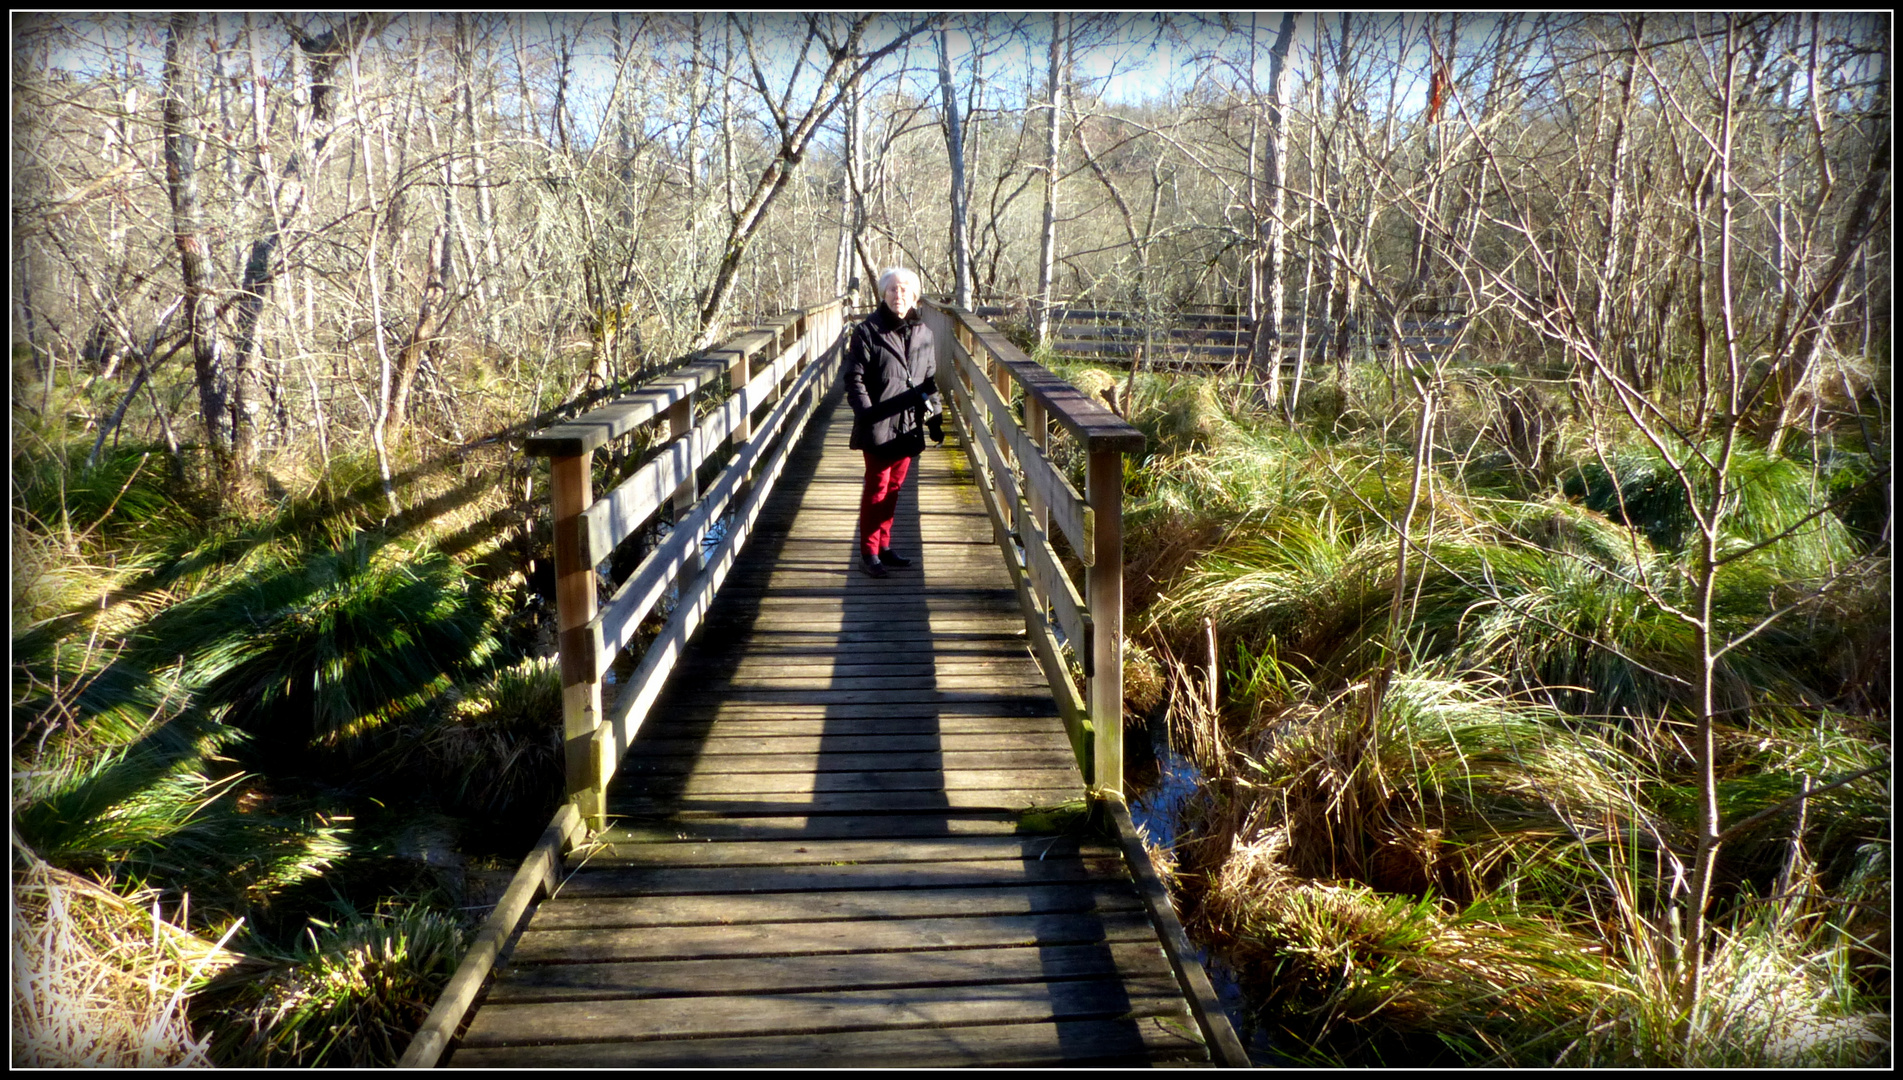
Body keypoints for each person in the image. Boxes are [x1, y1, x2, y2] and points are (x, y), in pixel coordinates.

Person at [843, 266, 944, 578]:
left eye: (905, 290)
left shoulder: (924, 333)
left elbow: (929, 380)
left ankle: (884, 546)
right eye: (892, 290)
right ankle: (869, 552)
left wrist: (935, 417)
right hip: (878, 423)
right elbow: (854, 378)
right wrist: (866, 413)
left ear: (914, 296)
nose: (898, 295)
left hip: (908, 423)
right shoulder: (868, 331)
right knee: (877, 486)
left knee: (895, 487)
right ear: (883, 295)